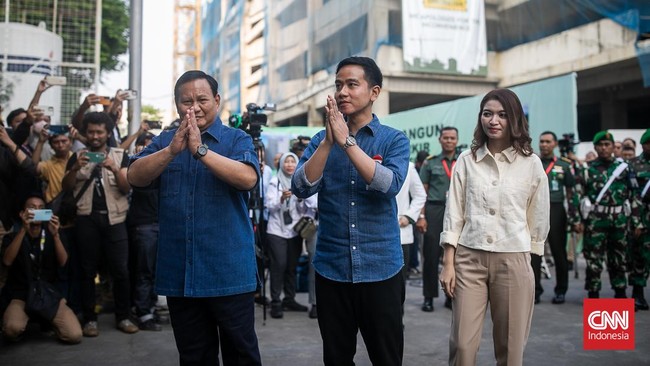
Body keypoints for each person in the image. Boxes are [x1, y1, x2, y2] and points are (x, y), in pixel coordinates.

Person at [127, 70, 262, 365]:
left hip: (228, 273)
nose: (195, 107)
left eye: (202, 99)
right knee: (193, 357)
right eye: (186, 101)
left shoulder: (236, 139)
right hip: (181, 274)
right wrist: (172, 151)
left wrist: (200, 151)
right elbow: (134, 176)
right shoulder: (165, 140)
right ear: (176, 105)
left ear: (216, 100)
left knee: (241, 354)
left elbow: (248, 178)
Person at [291, 56, 410, 365]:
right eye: (339, 85)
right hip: (333, 270)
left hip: (381, 268)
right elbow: (301, 187)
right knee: (337, 357)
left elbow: (389, 185)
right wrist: (330, 144)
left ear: (374, 92)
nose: (343, 92)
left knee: (386, 357)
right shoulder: (320, 141)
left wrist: (347, 143)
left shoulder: (394, 139)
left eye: (352, 84)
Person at [439, 88, 550, 365]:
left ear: (514, 119)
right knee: (462, 346)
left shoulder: (531, 164)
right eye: (487, 114)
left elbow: (538, 214)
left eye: (502, 114)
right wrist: (448, 263)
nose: (494, 120)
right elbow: (454, 212)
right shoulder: (466, 160)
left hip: (513, 259)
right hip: (468, 259)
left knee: (510, 351)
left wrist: (530, 258)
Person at [61, 111, 137, 337]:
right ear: (86, 132)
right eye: (91, 132)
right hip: (86, 219)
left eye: (99, 132)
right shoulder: (77, 156)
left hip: (116, 219)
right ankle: (89, 319)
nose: (95, 136)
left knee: (121, 271)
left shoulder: (120, 155)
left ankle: (123, 316)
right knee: (86, 270)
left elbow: (126, 188)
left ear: (107, 133)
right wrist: (75, 168)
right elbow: (66, 187)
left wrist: (113, 167)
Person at [1, 195, 82, 344]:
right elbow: (7, 261)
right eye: (32, 208)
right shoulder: (12, 237)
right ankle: (26, 323)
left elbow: (63, 261)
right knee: (11, 329)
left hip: (48, 294)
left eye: (41, 208)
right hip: (21, 295)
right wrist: (23, 230)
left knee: (74, 335)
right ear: (22, 213)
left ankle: (48, 320)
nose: (36, 211)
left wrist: (56, 234)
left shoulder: (52, 234)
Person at [580, 130, 643, 299]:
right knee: (593, 259)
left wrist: (637, 221)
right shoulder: (588, 169)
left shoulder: (623, 168)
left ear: (613, 147)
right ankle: (593, 293)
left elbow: (634, 195)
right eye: (600, 145)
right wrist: (578, 220)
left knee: (619, 258)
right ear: (595, 147)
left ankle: (620, 292)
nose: (604, 148)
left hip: (619, 220)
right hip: (596, 220)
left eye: (607, 145)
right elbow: (580, 195)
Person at [265, 152, 315, 319]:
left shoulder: (300, 183)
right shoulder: (275, 181)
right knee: (279, 264)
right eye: (286, 162)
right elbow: (269, 206)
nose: (290, 165)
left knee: (292, 266)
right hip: (276, 230)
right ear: (281, 165)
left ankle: (289, 299)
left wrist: (301, 197)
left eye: (293, 162)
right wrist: (280, 198)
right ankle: (276, 302)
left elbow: (310, 208)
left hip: (294, 230)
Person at [535, 131, 581, 305]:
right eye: (542, 141)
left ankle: (561, 290)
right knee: (534, 253)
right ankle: (535, 291)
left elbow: (571, 194)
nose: (544, 145)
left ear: (554, 144)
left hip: (556, 209)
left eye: (548, 142)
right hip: (535, 209)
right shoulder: (533, 162)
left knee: (558, 252)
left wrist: (574, 217)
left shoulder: (564, 165)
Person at [419, 126, 459, 311]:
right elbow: (422, 192)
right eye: (446, 138)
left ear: (457, 140)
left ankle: (451, 296)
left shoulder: (464, 161)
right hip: (435, 209)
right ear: (440, 140)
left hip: (458, 211)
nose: (449, 141)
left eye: (452, 138)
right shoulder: (430, 163)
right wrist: (421, 216)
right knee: (431, 255)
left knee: (456, 257)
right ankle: (428, 297)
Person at [628, 128, 650, 310]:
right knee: (639, 257)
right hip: (643, 217)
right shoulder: (633, 165)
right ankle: (638, 294)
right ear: (643, 145)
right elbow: (633, 195)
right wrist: (637, 221)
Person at [396, 162, 426, 287]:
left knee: (399, 286)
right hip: (370, 235)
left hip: (400, 233)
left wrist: (408, 216)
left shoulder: (407, 166)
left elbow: (420, 195)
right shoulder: (366, 160)